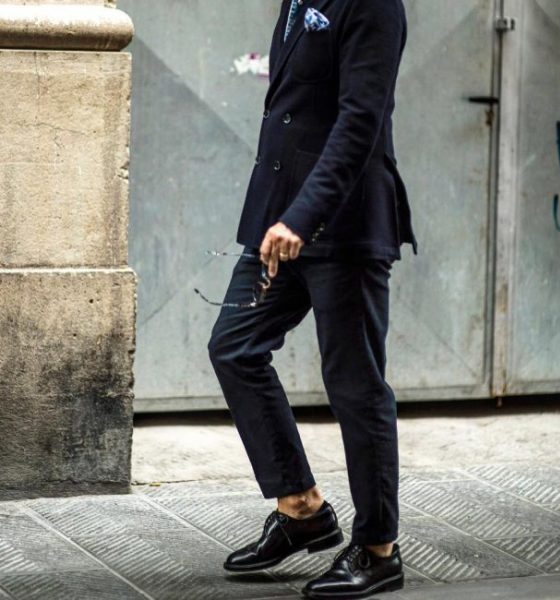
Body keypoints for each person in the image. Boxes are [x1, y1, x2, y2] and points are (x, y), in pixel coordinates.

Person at [207, 0, 417, 597]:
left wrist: (303, 216)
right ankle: (301, 508)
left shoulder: (373, 5)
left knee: (355, 384)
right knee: (235, 347)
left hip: (342, 223)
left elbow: (360, 122)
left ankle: (378, 549)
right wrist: (279, 213)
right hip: (280, 218)